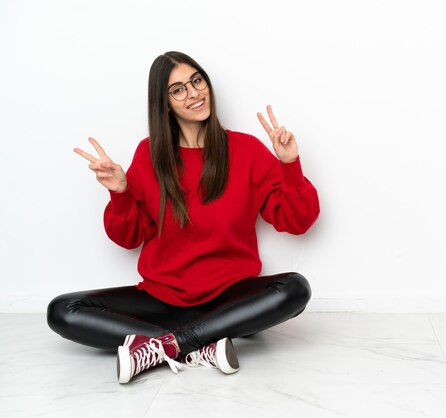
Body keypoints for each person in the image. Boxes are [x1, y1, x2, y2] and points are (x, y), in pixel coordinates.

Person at [47, 51, 320, 384]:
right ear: (164, 103)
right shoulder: (149, 155)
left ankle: (167, 345)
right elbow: (129, 237)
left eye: (197, 80)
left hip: (230, 298)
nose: (193, 93)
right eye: (178, 89)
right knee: (63, 310)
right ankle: (202, 345)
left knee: (294, 288)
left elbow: (299, 221)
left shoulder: (246, 149)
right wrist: (119, 192)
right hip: (162, 299)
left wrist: (289, 164)